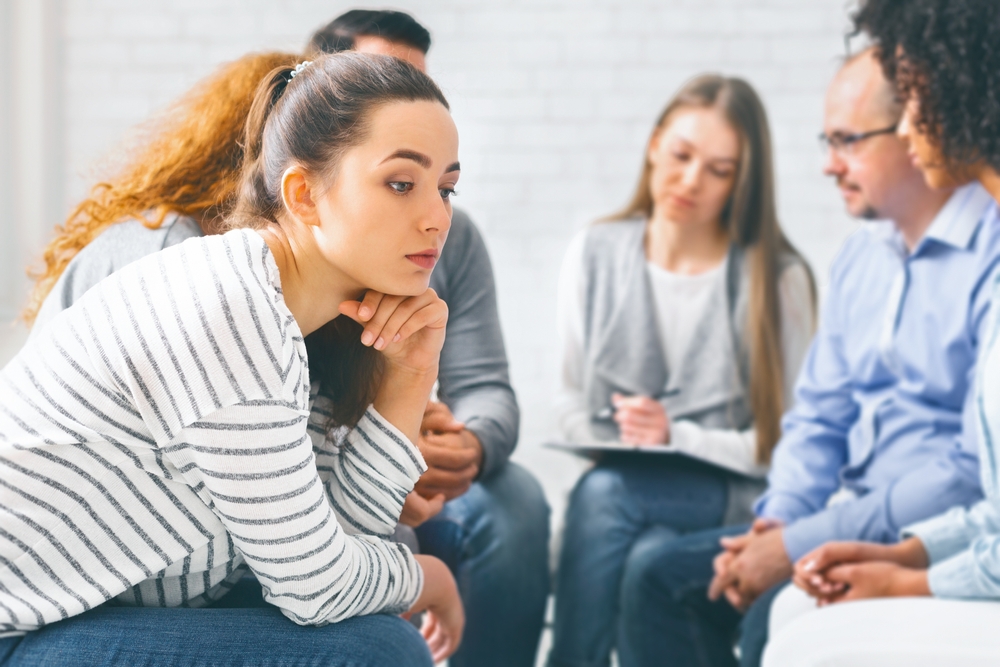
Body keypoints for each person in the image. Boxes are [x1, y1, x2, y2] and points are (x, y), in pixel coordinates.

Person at [30, 11, 551, 666]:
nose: (436, 217)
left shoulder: (305, 321)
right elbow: (313, 586)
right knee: (382, 651)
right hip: (28, 626)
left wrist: (411, 373)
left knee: (378, 639)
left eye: (447, 186)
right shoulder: (227, 304)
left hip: (103, 611)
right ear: (303, 194)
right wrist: (430, 578)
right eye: (401, 183)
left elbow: (346, 530)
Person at [615, 44, 1000, 667]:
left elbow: (969, 469)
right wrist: (779, 525)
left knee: (770, 611)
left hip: (925, 530)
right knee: (657, 577)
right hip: (832, 516)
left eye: (847, 140)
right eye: (828, 140)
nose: (829, 165)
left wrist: (801, 542)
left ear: (919, 129)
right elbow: (819, 417)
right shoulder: (859, 258)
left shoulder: (990, 249)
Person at [546, 74, 816, 667]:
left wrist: (677, 438)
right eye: (682, 155)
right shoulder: (593, 252)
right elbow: (567, 400)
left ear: (743, 181)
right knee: (648, 553)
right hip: (625, 488)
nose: (691, 180)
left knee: (607, 497)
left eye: (720, 170)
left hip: (732, 494)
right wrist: (617, 439)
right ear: (654, 144)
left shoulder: (777, 279)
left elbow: (791, 447)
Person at [764, 1, 1000, 663]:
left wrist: (910, 576)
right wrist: (900, 555)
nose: (910, 114)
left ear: (962, 90)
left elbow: (975, 479)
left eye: (915, 92)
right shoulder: (860, 257)